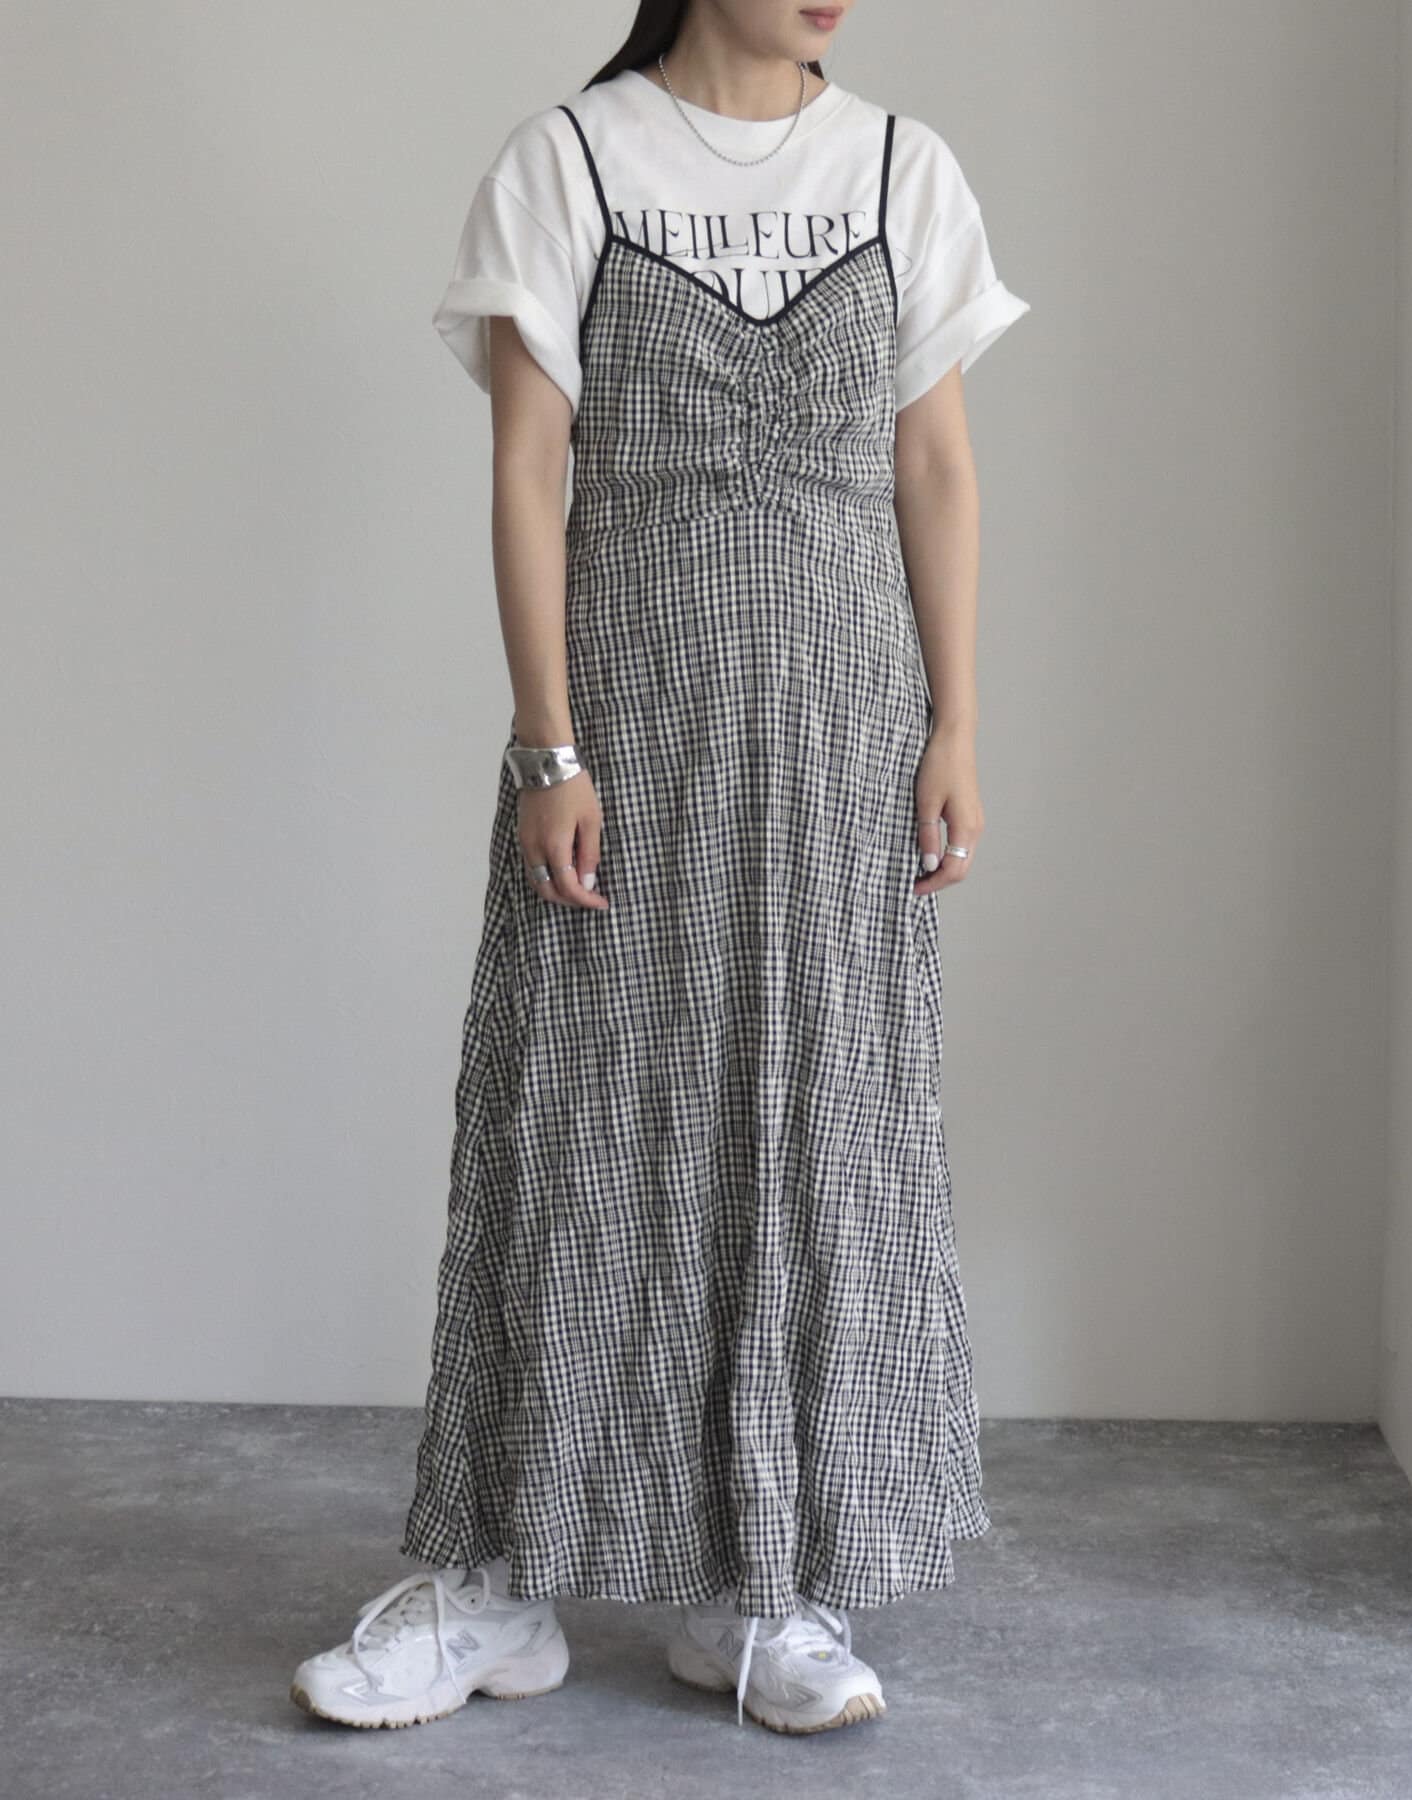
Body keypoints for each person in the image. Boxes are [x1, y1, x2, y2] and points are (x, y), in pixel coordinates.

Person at [291, 0, 1030, 1738]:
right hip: (627, 718)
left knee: (814, 1122)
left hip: (842, 731)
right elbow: (527, 463)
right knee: (576, 1113)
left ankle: (763, 1587)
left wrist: (955, 724)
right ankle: (501, 1584)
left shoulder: (901, 170)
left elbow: (934, 462)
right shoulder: (570, 160)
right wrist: (548, 745)